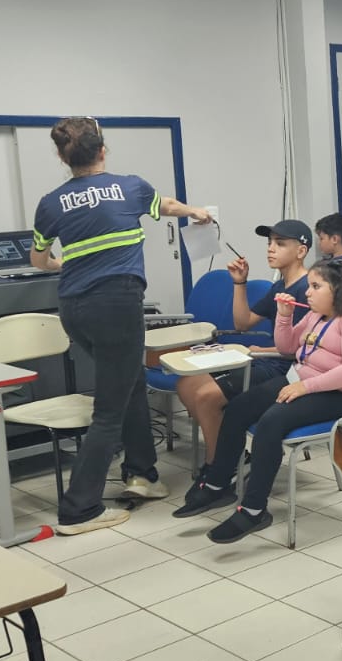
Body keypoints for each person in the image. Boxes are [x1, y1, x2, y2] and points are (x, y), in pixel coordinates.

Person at [28, 116, 211, 534]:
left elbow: (38, 259)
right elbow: (168, 206)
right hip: (116, 305)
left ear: (62, 156)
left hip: (73, 308)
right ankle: (79, 509)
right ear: (103, 150)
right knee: (109, 410)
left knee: (127, 382)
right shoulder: (130, 187)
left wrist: (61, 263)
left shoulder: (51, 202)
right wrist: (196, 212)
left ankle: (142, 474)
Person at [180, 261, 342, 543]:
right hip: (304, 381)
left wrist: (305, 386)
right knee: (238, 407)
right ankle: (218, 483)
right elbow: (288, 348)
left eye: (316, 286)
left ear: (339, 289)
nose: (308, 293)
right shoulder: (316, 315)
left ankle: (253, 509)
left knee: (271, 422)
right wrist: (284, 317)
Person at [174, 219, 311, 483]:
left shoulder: (308, 288)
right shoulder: (279, 286)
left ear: (301, 251)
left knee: (206, 396)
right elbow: (243, 323)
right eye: (269, 243)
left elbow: (306, 347)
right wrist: (240, 283)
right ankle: (234, 456)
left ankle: (219, 467)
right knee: (187, 385)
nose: (271, 248)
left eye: (280, 243)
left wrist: (264, 349)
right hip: (267, 360)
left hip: (286, 369)